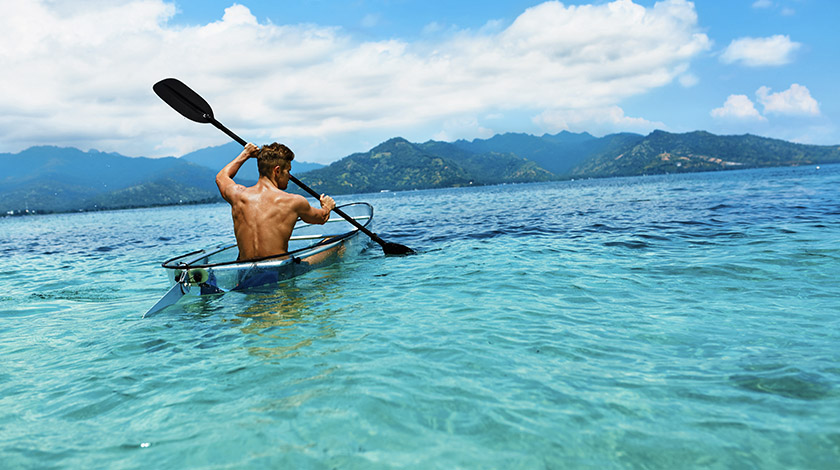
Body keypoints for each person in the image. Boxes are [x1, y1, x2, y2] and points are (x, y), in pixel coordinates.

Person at [216, 142, 335, 260]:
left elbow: (221, 177)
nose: (289, 176)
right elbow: (321, 218)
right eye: (288, 171)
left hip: (245, 274)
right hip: (278, 273)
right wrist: (327, 206)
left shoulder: (238, 195)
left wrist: (245, 154)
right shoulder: (293, 201)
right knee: (332, 242)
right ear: (277, 171)